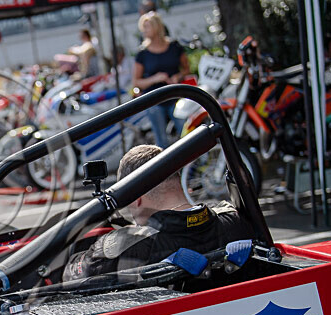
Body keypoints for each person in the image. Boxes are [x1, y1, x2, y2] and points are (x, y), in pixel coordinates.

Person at [62, 144, 252, 281]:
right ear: (176, 182)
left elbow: (71, 278)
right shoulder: (235, 219)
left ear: (135, 198)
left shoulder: (122, 248)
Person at [132, 11, 188, 148]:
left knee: (185, 133)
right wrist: (155, 79)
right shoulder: (143, 53)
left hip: (175, 96)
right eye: (143, 27)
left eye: (147, 27)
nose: (144, 30)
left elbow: (186, 69)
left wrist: (178, 76)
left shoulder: (174, 47)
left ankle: (194, 166)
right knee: (161, 139)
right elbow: (136, 81)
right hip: (155, 99)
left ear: (157, 27)